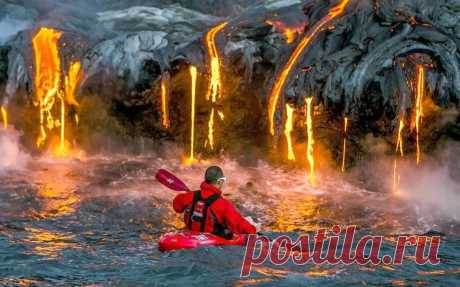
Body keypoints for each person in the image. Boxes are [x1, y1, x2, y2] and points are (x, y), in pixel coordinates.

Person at [173, 166, 258, 238]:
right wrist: (253, 232)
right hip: (211, 241)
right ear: (220, 181)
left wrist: (189, 196)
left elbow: (176, 207)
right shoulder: (224, 204)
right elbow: (239, 224)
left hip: (189, 236)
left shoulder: (190, 196)